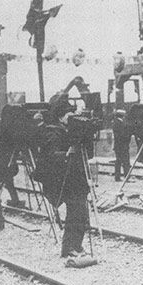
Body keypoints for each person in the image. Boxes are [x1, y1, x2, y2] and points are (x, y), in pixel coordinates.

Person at [38, 100, 91, 257]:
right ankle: (68, 248)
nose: (72, 118)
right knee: (75, 212)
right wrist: (67, 153)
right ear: (61, 117)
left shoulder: (70, 130)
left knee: (81, 213)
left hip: (76, 178)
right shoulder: (52, 132)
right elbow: (50, 155)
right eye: (69, 115)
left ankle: (77, 245)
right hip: (65, 179)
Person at [112, 109, 131, 182]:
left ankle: (119, 177)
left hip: (120, 145)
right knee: (123, 161)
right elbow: (120, 135)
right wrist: (127, 135)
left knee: (120, 161)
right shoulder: (117, 123)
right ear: (122, 115)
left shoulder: (119, 122)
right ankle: (124, 177)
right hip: (121, 145)